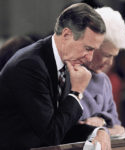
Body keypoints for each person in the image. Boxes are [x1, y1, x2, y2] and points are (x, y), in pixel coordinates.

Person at [0, 3, 111, 150]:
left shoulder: (66, 62)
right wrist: (76, 92)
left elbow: (62, 125)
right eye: (88, 48)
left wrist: (98, 132)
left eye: (93, 50)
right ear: (66, 35)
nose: (90, 58)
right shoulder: (30, 65)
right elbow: (52, 134)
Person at [79, 7, 125, 136]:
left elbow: (118, 128)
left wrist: (101, 122)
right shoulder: (67, 76)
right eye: (107, 55)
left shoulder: (104, 80)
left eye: (114, 56)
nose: (110, 63)